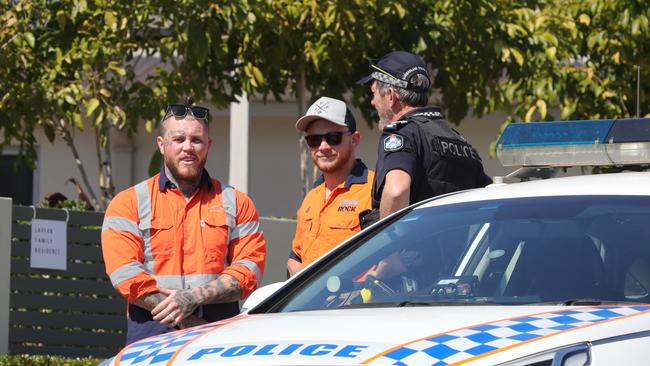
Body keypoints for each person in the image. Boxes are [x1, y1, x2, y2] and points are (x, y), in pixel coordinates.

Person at [101, 97, 266, 344]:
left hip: (217, 340)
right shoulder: (128, 203)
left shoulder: (237, 203)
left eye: (196, 140)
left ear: (208, 145)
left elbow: (248, 270)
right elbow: (126, 275)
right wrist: (185, 320)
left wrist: (193, 297)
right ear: (161, 144)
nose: (188, 147)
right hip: (150, 340)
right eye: (178, 139)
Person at [356, 51, 491, 283]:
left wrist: (389, 256)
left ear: (390, 96)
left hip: (411, 279)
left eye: (374, 94)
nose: (372, 102)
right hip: (456, 274)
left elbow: (397, 190)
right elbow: (488, 198)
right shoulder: (459, 141)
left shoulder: (403, 134)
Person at [287, 96, 374, 276]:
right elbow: (295, 257)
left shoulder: (375, 188)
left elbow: (392, 259)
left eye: (333, 137)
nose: (323, 146)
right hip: (312, 304)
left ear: (355, 139)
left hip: (359, 303)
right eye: (314, 140)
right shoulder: (311, 197)